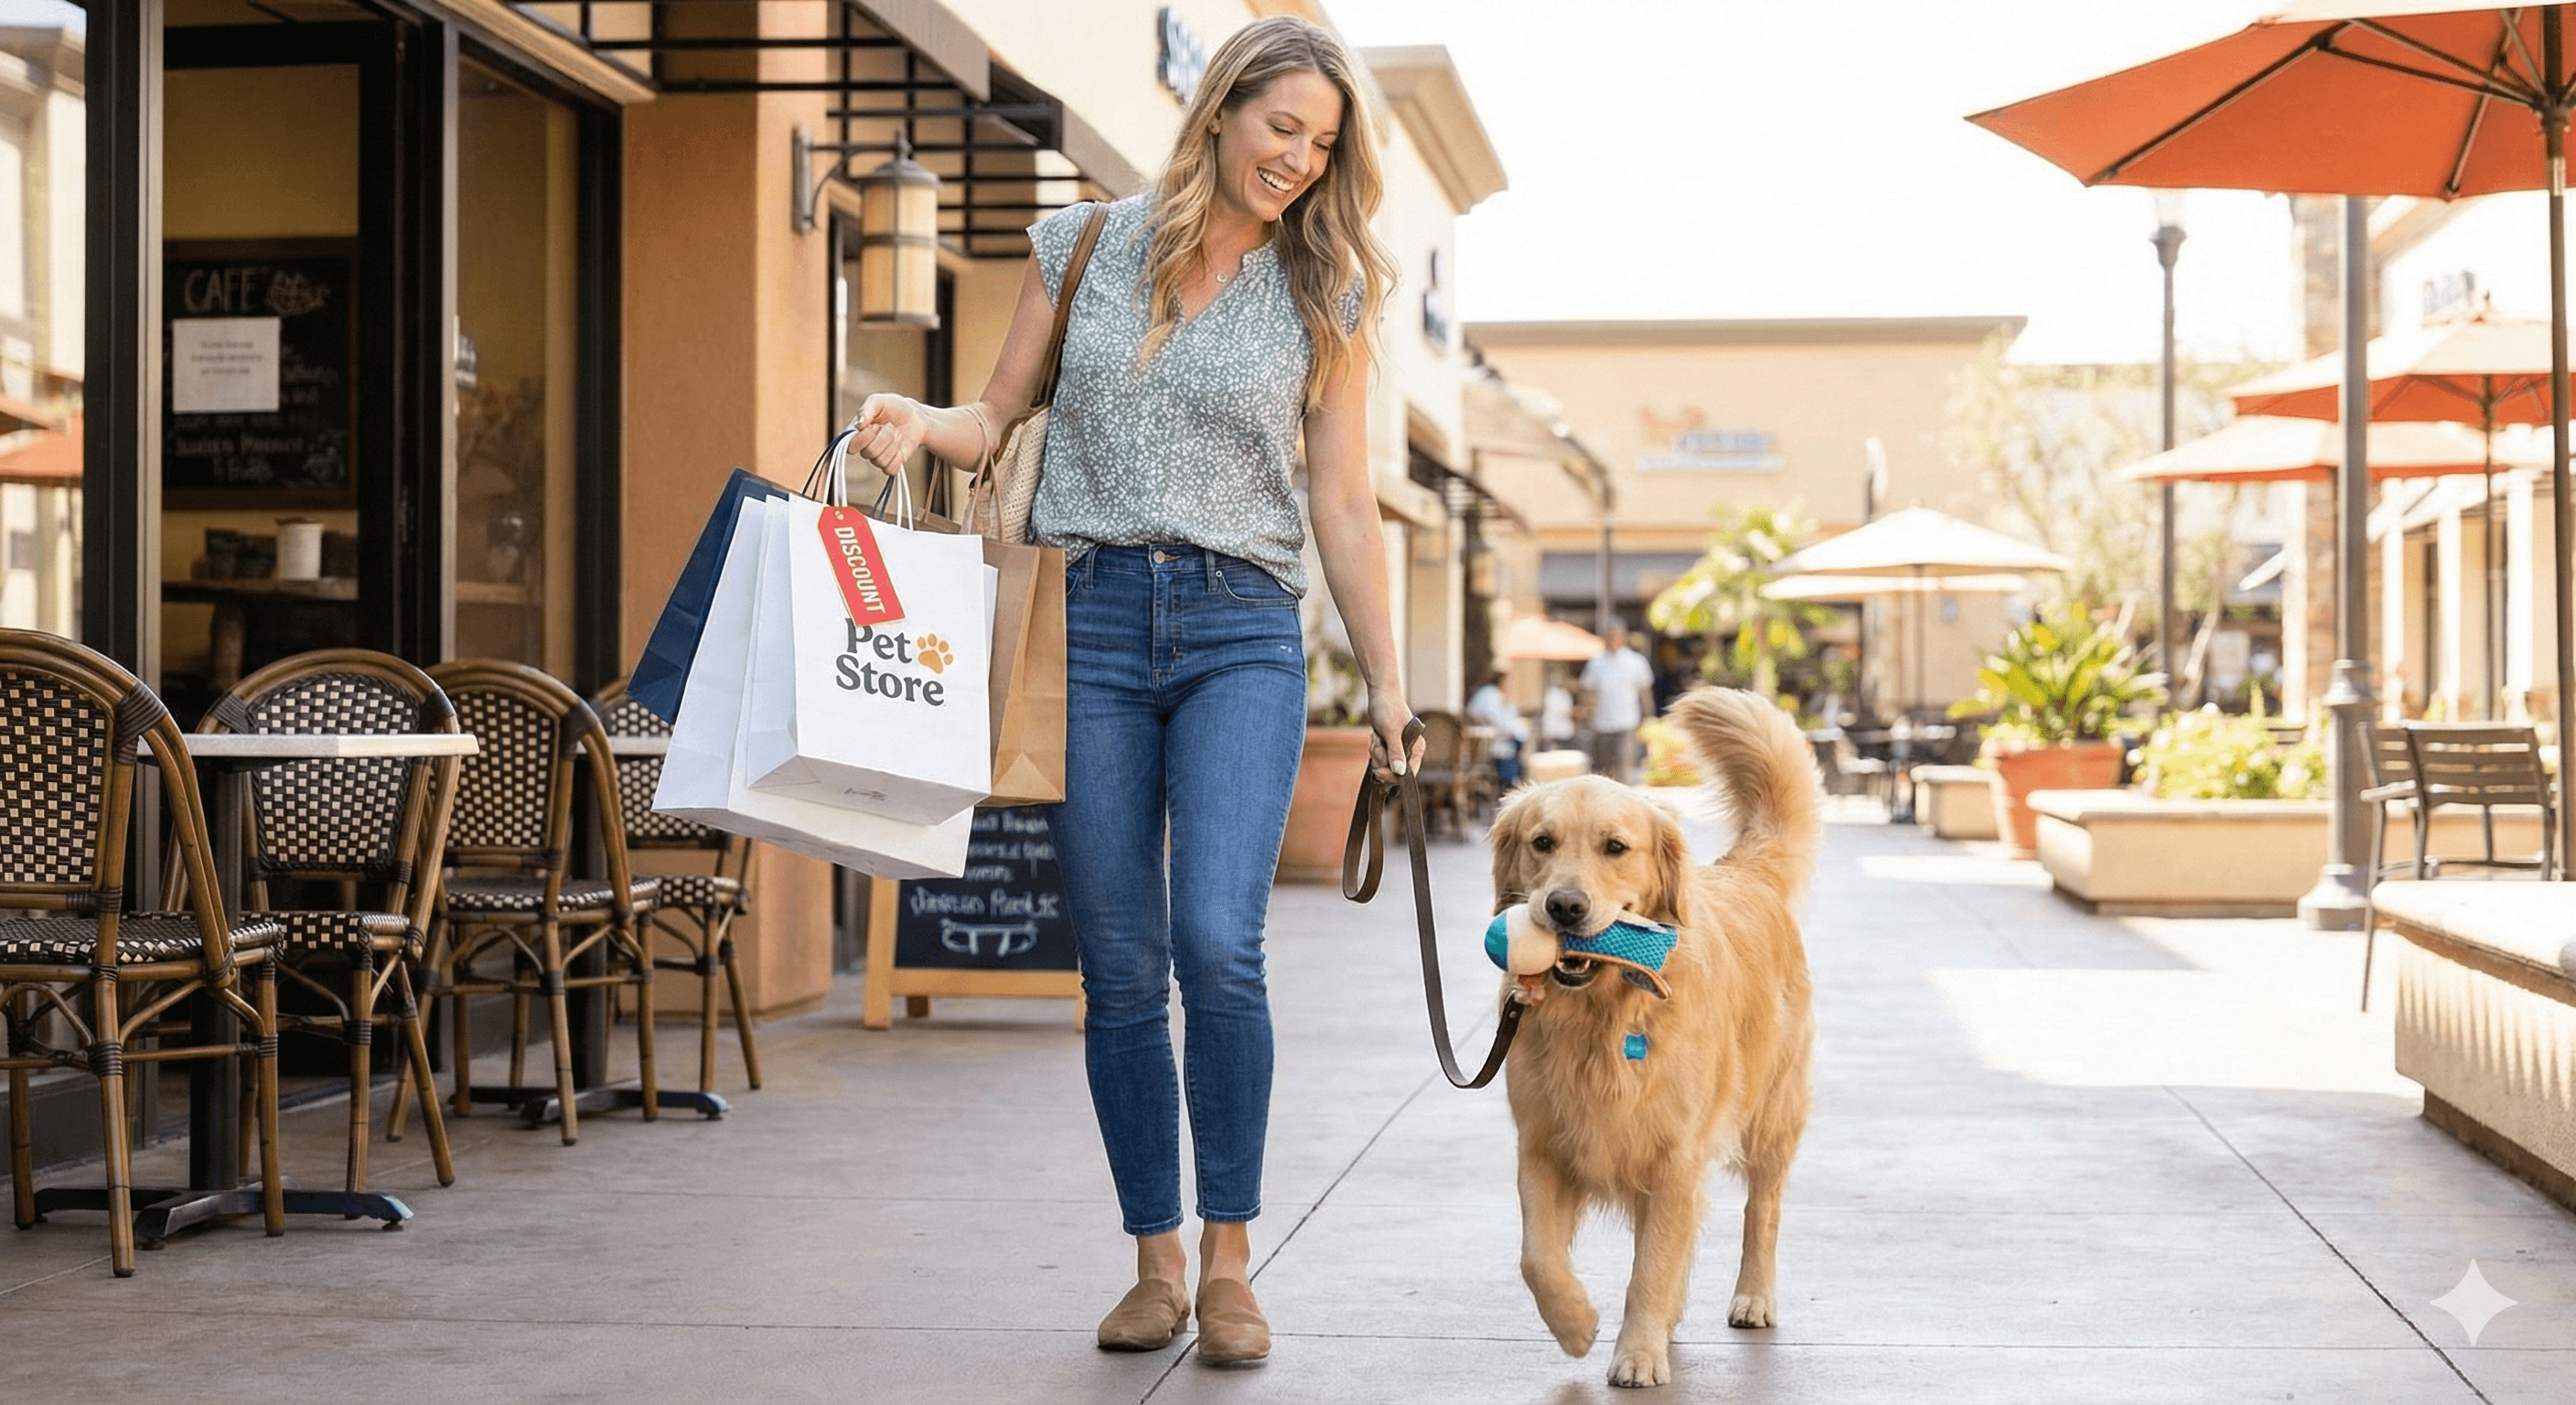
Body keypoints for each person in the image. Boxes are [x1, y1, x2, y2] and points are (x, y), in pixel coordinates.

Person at [844, 17, 1408, 1367]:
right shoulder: (1082, 244)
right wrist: (918, 423)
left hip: (1241, 633)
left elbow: (1341, 496)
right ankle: (1152, 1259)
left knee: (1219, 942)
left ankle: (1228, 1264)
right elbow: (994, 420)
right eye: (1283, 128)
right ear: (1219, 111)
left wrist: (1391, 683)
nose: (1298, 160)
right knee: (1117, 966)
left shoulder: (1322, 289)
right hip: (1086, 622)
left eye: (1322, 145)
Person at [1581, 624, 1657, 785]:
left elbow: (1645, 691)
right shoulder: (1596, 663)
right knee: (1604, 767)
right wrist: (1587, 714)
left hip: (1627, 721)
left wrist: (1649, 714)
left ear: (1623, 638)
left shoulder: (1636, 661)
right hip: (1602, 722)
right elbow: (1589, 692)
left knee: (1624, 764)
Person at [1465, 668, 1526, 788]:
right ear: (1502, 681)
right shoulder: (1489, 695)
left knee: (1518, 745)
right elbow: (1501, 723)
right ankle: (1508, 784)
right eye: (1509, 683)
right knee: (1515, 745)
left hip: (1492, 742)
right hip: (1485, 747)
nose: (1511, 686)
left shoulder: (1493, 695)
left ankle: (1512, 781)